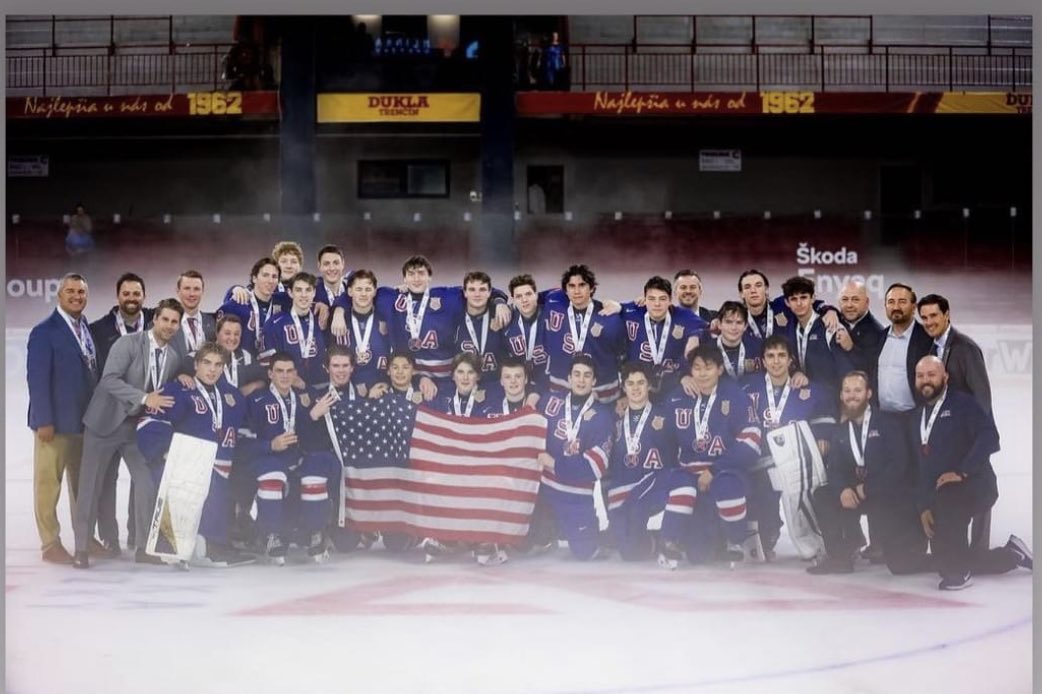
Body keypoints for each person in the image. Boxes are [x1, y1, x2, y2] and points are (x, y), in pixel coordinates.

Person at [72, 298, 189, 568]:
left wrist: (185, 377)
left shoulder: (173, 356)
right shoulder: (128, 343)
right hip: (104, 424)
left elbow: (164, 391)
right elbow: (109, 380)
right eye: (165, 319)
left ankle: (144, 548)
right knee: (91, 486)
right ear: (155, 319)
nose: (169, 325)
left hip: (136, 429)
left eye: (175, 322)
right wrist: (145, 398)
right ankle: (81, 548)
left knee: (147, 483)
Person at [912, 356, 1031, 590]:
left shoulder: (963, 404)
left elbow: (990, 437)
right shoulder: (917, 416)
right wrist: (923, 506)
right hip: (939, 495)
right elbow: (921, 467)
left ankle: (958, 573)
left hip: (976, 485)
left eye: (932, 374)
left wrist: (962, 472)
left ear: (945, 377)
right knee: (943, 558)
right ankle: (1012, 554)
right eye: (921, 376)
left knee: (949, 502)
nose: (926, 380)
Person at [135, 342, 254, 567]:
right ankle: (195, 547)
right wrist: (168, 451)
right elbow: (148, 422)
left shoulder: (233, 397)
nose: (212, 369)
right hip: (181, 465)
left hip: (221, 465)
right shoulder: (179, 390)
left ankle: (216, 544)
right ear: (196, 365)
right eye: (207, 363)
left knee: (225, 485)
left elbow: (244, 431)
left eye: (218, 365)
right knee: (206, 486)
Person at [808, 371, 927, 575]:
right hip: (858, 494)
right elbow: (835, 468)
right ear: (841, 395)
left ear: (869, 393)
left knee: (900, 566)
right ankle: (839, 557)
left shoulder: (889, 423)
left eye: (857, 390)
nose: (852, 395)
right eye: (847, 391)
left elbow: (900, 465)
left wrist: (868, 488)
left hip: (889, 497)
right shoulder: (841, 430)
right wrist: (842, 490)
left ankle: (941, 556)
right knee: (823, 495)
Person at [664, 344, 762, 566]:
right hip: (690, 475)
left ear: (719, 369)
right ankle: (669, 541)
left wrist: (714, 469)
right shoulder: (676, 398)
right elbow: (665, 441)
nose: (702, 373)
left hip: (725, 472)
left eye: (708, 368)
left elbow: (751, 442)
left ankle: (734, 540)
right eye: (697, 368)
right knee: (699, 556)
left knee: (728, 486)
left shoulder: (735, 396)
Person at [741, 335, 835, 559]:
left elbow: (824, 414)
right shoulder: (746, 387)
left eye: (781, 356)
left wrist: (822, 436)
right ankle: (767, 533)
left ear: (791, 360)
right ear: (763, 360)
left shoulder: (807, 388)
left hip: (795, 460)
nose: (776, 362)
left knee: (803, 500)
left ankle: (817, 543)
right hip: (759, 460)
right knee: (761, 498)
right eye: (770, 356)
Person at [27, 273, 98, 564]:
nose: (76, 296)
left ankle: (84, 538)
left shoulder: (84, 328)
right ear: (59, 295)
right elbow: (37, 379)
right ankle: (50, 543)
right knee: (48, 484)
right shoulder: (45, 330)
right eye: (70, 291)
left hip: (83, 423)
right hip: (53, 425)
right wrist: (44, 419)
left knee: (82, 486)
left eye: (81, 292)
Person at [89, 272, 154, 552]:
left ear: (144, 296)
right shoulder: (99, 329)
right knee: (106, 479)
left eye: (136, 293)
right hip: (109, 417)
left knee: (143, 478)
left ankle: (137, 535)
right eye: (126, 294)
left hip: (143, 418)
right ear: (118, 297)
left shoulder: (156, 322)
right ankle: (109, 538)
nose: (131, 299)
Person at [537, 355, 615, 560]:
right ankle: (550, 530)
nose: (581, 380)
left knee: (585, 552)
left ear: (594, 381)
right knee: (527, 542)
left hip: (576, 497)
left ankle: (585, 528)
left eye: (587, 376)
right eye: (577, 375)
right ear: (569, 378)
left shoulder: (603, 416)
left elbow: (595, 467)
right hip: (544, 491)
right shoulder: (548, 402)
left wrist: (554, 463)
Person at [605, 362, 682, 563]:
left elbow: (678, 455)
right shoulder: (614, 420)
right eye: (630, 383)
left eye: (641, 382)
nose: (636, 388)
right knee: (629, 553)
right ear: (624, 387)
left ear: (649, 385)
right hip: (623, 492)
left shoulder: (665, 416)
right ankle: (654, 540)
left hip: (654, 489)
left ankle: (676, 534)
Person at [240, 352, 309, 565]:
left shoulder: (301, 398)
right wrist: (270, 445)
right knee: (274, 473)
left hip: (294, 460)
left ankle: (311, 530)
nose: (285, 376)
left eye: (289, 371)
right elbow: (242, 441)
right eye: (279, 371)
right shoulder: (256, 399)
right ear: (270, 373)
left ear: (295, 373)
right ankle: (271, 534)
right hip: (263, 461)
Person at [297, 345, 364, 559]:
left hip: (357, 465)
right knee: (315, 465)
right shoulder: (316, 396)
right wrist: (312, 416)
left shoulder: (364, 394)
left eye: (345, 365)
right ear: (327, 368)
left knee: (346, 544)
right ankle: (316, 529)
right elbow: (305, 440)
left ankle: (365, 527)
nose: (341, 370)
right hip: (329, 462)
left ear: (353, 368)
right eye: (336, 365)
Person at [543, 265, 626, 403]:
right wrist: (499, 302)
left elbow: (623, 358)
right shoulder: (553, 304)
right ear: (565, 290)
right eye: (571, 286)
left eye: (582, 285)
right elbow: (529, 296)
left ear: (592, 288)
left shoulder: (609, 317)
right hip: (561, 390)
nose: (576, 291)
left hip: (601, 393)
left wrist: (622, 307)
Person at [621, 276, 704, 399]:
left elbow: (711, 327)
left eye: (662, 299)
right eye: (651, 299)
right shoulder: (632, 312)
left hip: (672, 387)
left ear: (670, 300)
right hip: (636, 388)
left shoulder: (684, 316)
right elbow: (607, 307)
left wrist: (695, 336)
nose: (657, 304)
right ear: (644, 300)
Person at [777, 276, 852, 400]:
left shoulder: (830, 325)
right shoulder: (789, 328)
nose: (799, 303)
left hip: (831, 401)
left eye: (804, 297)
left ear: (813, 298)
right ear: (787, 303)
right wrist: (795, 371)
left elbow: (846, 369)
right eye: (794, 299)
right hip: (803, 401)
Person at [916, 294, 992, 417]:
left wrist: (977, 431)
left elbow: (982, 396)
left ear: (946, 315)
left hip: (966, 428)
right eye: (924, 318)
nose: (929, 322)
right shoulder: (928, 350)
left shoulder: (966, 348)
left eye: (933, 316)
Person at [870, 282, 934, 414]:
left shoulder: (927, 339)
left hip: (914, 416)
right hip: (882, 417)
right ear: (885, 306)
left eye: (902, 302)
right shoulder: (878, 338)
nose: (896, 307)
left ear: (914, 306)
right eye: (891, 302)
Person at [260, 271, 327, 387]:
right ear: (290, 293)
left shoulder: (322, 318)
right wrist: (291, 379)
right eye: (298, 290)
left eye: (308, 290)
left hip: (321, 384)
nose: (304, 295)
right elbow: (267, 362)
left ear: (314, 292)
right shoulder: (274, 324)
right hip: (287, 387)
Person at [217, 256, 284, 359]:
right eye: (265, 275)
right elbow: (215, 335)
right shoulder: (238, 303)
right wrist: (234, 289)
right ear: (254, 278)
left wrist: (319, 306)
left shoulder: (282, 302)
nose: (270, 281)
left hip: (272, 367)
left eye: (274, 276)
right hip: (243, 366)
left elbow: (303, 298)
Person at [454, 271, 509, 387]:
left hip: (496, 386)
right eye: (472, 289)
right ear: (464, 293)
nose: (477, 294)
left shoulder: (500, 317)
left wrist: (500, 302)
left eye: (482, 290)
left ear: (490, 293)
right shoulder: (455, 320)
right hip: (463, 386)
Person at [504, 274, 549, 392]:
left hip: (549, 384)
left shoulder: (550, 315)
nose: (524, 300)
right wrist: (499, 304)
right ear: (513, 300)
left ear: (536, 295)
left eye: (528, 294)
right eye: (518, 296)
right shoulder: (507, 320)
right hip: (518, 385)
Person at [833, 280, 885, 374]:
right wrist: (829, 310)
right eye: (845, 299)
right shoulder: (833, 321)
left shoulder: (879, 333)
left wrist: (851, 348)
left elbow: (874, 371)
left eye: (855, 300)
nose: (849, 305)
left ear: (867, 302)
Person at [175, 270, 217, 356]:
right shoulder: (167, 323)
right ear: (178, 291)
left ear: (203, 292)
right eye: (187, 288)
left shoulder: (213, 322)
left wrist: (235, 288)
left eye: (196, 289)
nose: (192, 294)